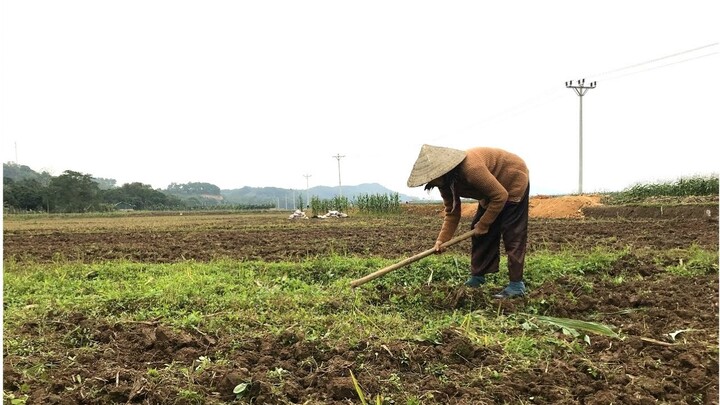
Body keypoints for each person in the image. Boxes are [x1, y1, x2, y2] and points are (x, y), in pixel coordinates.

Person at [406, 144, 530, 299]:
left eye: (432, 177)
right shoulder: (443, 182)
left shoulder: (471, 168)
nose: (431, 182)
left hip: (511, 180)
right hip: (491, 194)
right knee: (478, 230)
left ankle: (516, 286)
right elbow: (452, 212)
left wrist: (484, 224)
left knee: (512, 234)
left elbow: (500, 196)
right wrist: (442, 240)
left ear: (443, 170)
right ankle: (478, 276)